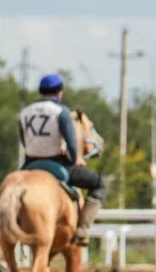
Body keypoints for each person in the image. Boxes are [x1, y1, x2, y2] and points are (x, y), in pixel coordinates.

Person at [19, 74, 107, 245]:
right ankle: (82, 230)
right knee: (99, 183)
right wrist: (75, 159)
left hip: (29, 165)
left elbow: (23, 140)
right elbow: (72, 145)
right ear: (59, 93)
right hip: (57, 164)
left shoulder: (25, 112)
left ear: (41, 92)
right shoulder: (62, 112)